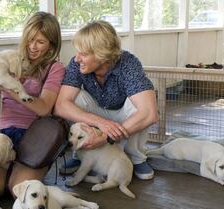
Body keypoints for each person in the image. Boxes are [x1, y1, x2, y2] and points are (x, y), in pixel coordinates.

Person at [53, 20, 158, 180]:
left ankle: (136, 157)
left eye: (84, 54)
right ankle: (80, 152)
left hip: (123, 114)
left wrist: (105, 137)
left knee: (139, 106)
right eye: (77, 52)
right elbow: (61, 106)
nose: (76, 59)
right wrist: (100, 123)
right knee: (74, 100)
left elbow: (150, 114)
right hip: (98, 112)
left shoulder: (128, 63)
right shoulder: (77, 64)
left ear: (102, 54)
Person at [0, 12, 65, 197]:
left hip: (30, 137)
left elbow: (44, 108)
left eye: (40, 42)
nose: (32, 47)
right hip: (1, 133)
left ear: (52, 44)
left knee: (18, 192)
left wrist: (8, 87)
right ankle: (9, 171)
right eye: (29, 40)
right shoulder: (11, 60)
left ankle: (25, 171)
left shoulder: (54, 68)